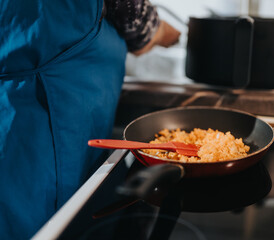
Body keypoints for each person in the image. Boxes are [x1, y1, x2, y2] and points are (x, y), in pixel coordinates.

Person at [0, 0, 180, 239]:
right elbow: (134, 17)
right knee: (50, 217)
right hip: (55, 108)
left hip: (11, 98)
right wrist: (165, 33)